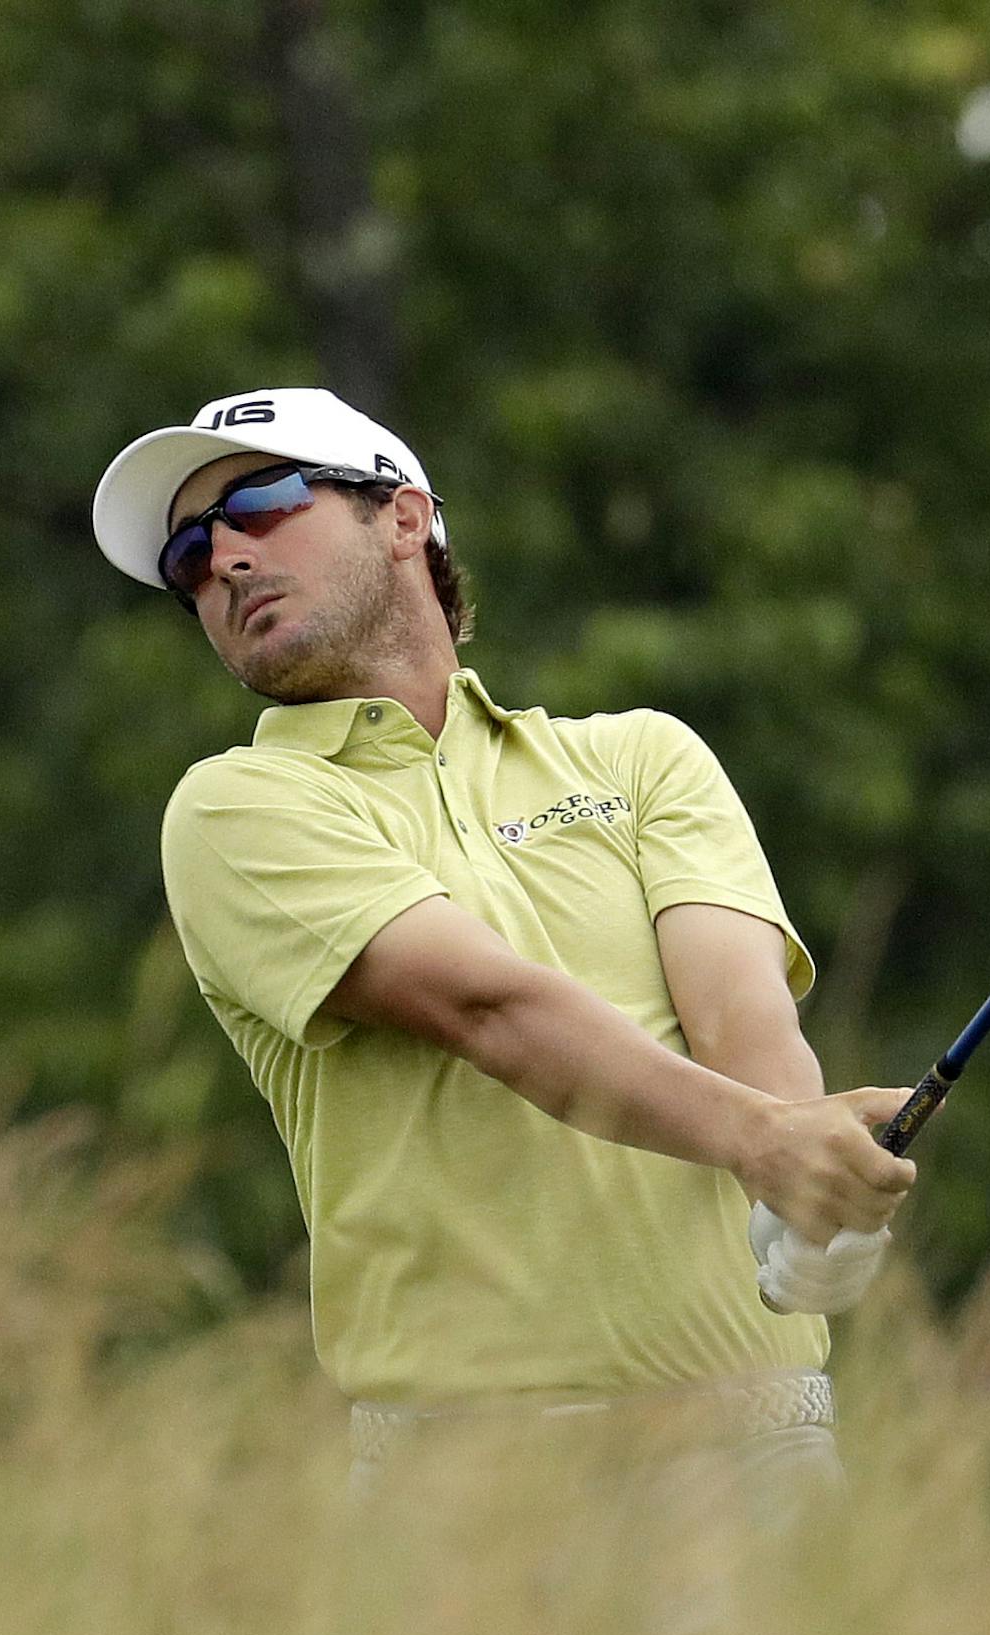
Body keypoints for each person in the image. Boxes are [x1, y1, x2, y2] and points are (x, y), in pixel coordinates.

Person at [90, 387, 917, 1512]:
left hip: (752, 1449)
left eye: (265, 504)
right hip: (458, 1482)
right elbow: (492, 1014)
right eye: (188, 553)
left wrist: (813, 1197)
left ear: (405, 517)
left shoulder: (639, 759)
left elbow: (745, 1021)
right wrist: (775, 1142)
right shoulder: (236, 808)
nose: (222, 560)